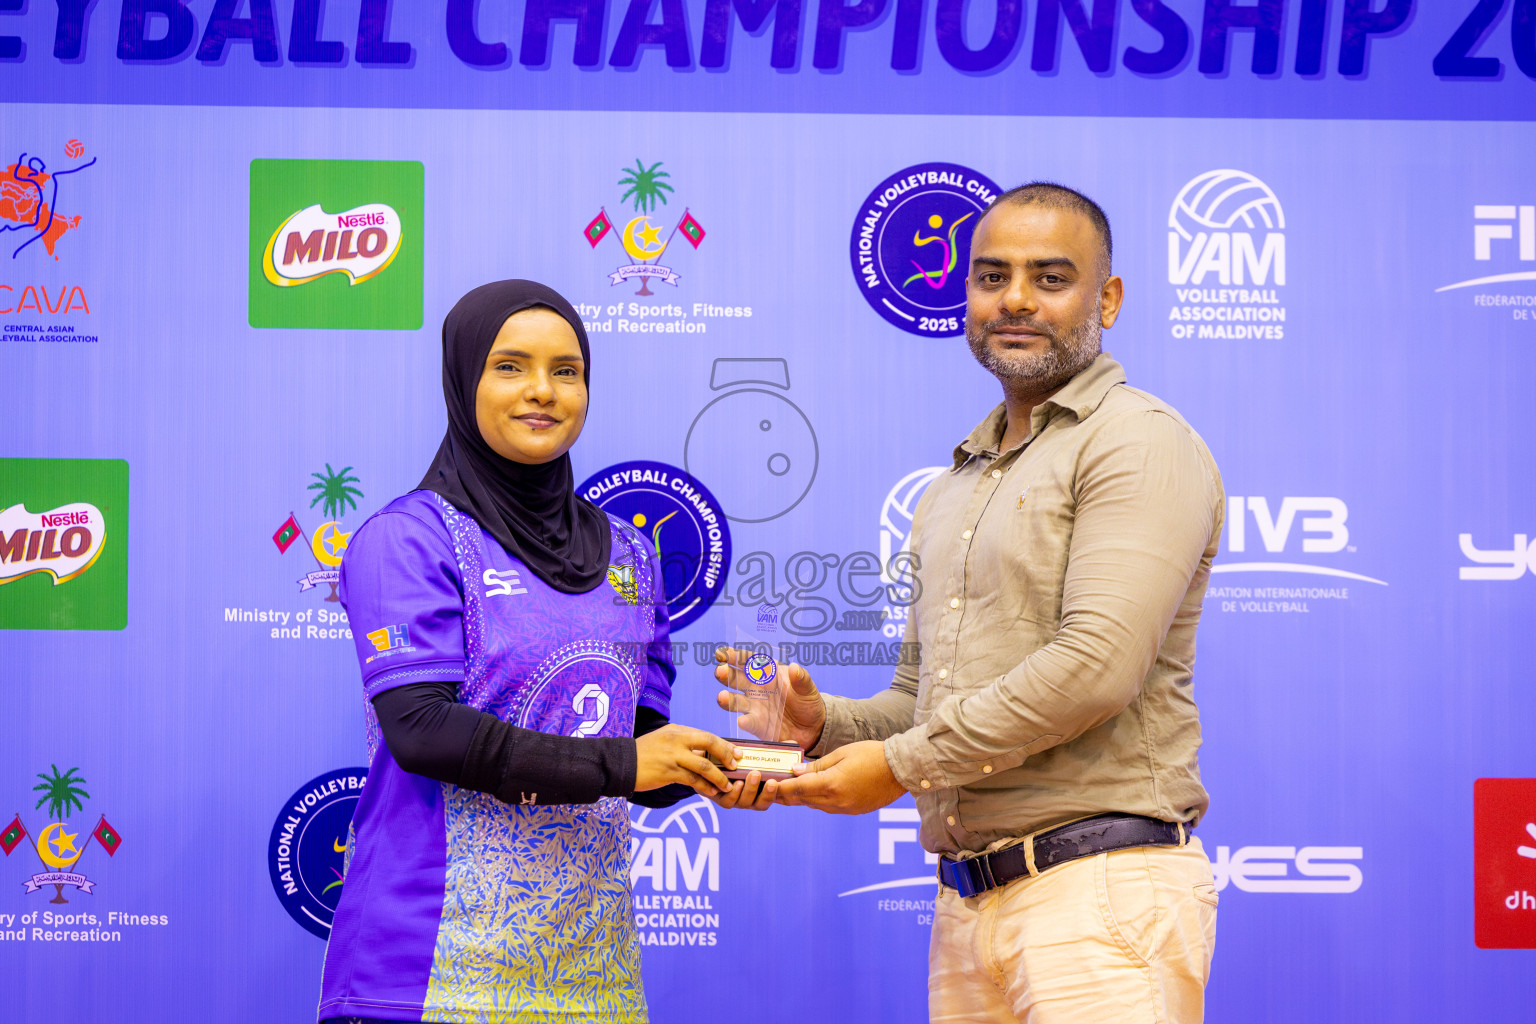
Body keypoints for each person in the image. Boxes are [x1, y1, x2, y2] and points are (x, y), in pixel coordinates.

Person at [714, 184, 1225, 1023]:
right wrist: (823, 729)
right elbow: (922, 701)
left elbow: (1096, 667)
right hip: (967, 906)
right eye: (992, 277)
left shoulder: (1138, 439)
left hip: (1098, 897)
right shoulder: (955, 485)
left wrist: (899, 767)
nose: (1015, 298)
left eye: (1050, 277)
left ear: (1109, 299)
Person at [318, 280, 742, 1024]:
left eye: (566, 370)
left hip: (592, 976)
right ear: (463, 378)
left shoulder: (631, 555)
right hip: (429, 972)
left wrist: (712, 769)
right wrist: (628, 763)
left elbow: (637, 751)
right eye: (509, 367)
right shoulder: (406, 539)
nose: (542, 392)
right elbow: (421, 730)